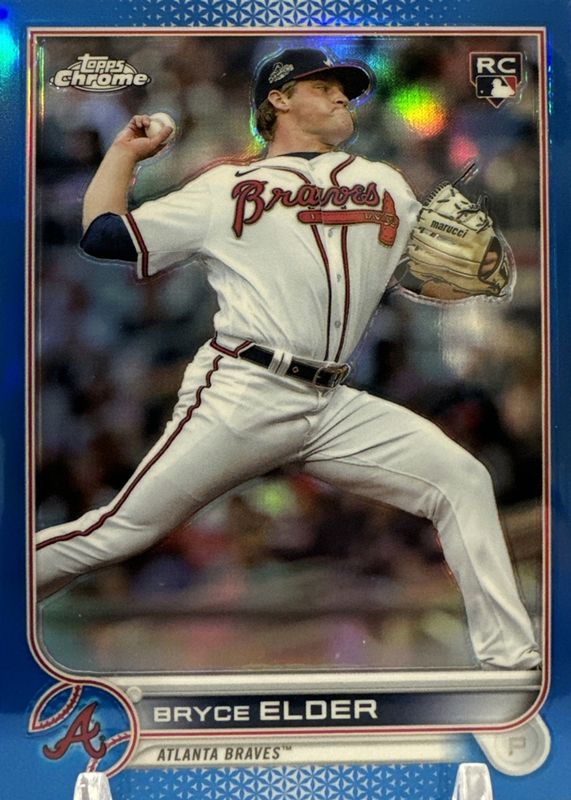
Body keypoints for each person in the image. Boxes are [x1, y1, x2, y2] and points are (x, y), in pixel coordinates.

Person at [35, 47, 540, 670]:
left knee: (462, 480)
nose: (341, 96)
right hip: (245, 391)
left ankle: (511, 665)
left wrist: (474, 272)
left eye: (344, 89)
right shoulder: (226, 188)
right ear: (278, 99)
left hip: (332, 402)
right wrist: (124, 154)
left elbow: (422, 274)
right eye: (323, 87)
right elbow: (105, 235)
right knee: (118, 531)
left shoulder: (384, 182)